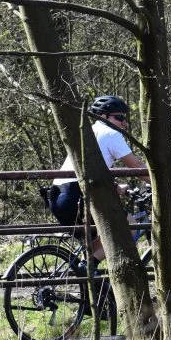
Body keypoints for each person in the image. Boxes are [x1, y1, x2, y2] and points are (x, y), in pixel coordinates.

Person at [49, 95, 147, 266]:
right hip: (77, 197)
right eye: (120, 118)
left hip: (59, 197)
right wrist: (163, 185)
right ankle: (87, 266)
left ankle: (89, 284)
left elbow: (91, 170)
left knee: (96, 247)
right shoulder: (110, 133)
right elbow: (137, 166)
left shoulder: (88, 132)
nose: (125, 123)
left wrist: (114, 186)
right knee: (131, 228)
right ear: (103, 117)